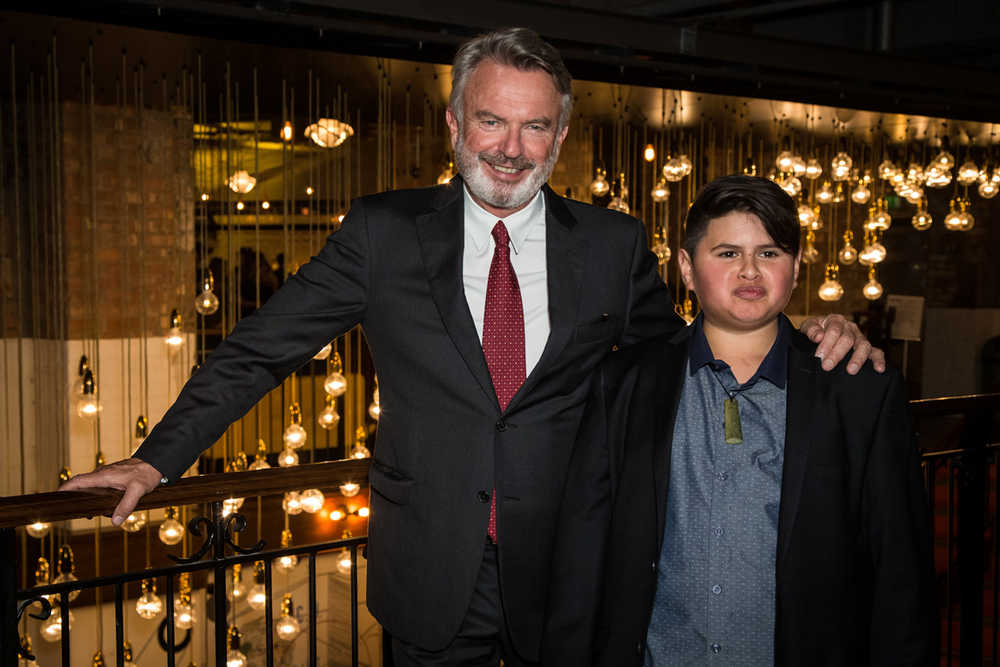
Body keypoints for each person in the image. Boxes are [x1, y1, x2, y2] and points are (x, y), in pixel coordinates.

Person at [60, 31, 882, 666]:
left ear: (559, 137)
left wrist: (811, 333)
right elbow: (257, 350)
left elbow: (685, 362)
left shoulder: (611, 243)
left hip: (568, 565)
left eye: (534, 127)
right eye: (491, 120)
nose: (509, 148)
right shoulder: (381, 234)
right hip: (428, 568)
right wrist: (155, 459)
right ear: (455, 123)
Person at [556, 175, 935, 666]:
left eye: (771, 253)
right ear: (688, 269)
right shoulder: (625, 383)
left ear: (796, 269)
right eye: (728, 253)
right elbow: (582, 558)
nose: (750, 272)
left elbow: (899, 571)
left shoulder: (859, 389)